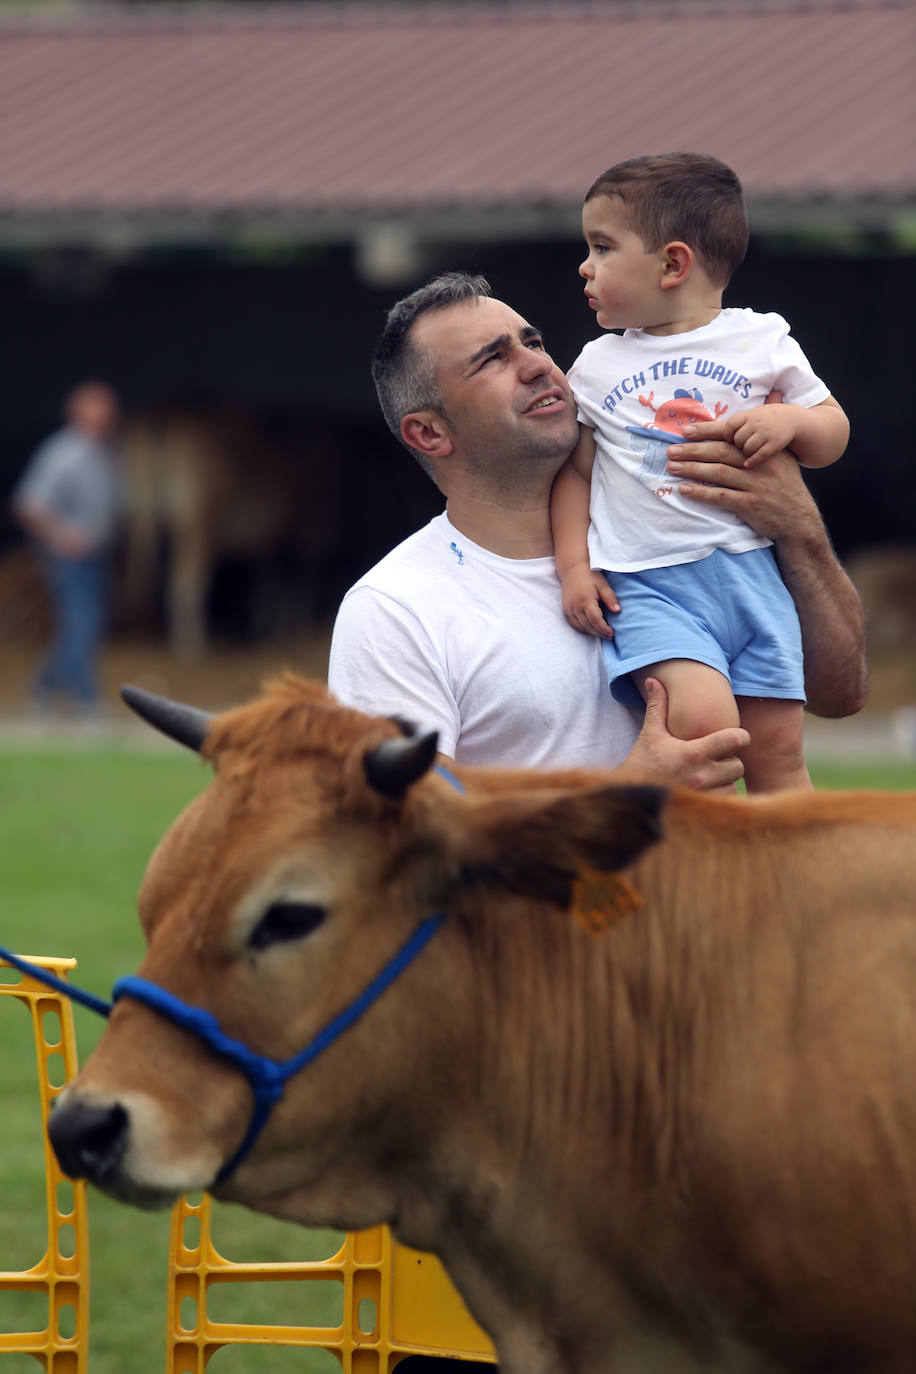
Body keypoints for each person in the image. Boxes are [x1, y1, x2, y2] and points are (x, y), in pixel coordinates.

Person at [328, 273, 866, 790]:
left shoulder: (695, 519)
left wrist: (800, 531)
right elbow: (402, 840)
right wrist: (624, 793)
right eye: (493, 358)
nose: (537, 365)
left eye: (532, 342)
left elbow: (841, 696)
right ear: (429, 432)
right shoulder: (394, 608)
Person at [551, 152, 850, 793]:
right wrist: (576, 568)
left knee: (777, 746)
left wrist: (794, 425)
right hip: (650, 584)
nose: (585, 265)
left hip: (752, 576)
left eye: (602, 247)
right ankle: (698, 874)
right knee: (702, 720)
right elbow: (577, 474)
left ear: (672, 264)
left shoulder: (762, 341)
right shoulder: (596, 365)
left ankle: (793, 884)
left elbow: (833, 432)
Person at [11, 381, 122, 715]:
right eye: (100, 407)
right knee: (82, 625)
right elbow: (28, 505)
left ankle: (44, 687)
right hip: (70, 557)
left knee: (84, 626)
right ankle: (86, 702)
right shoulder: (63, 453)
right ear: (78, 412)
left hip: (96, 555)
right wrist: (63, 536)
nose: (109, 414)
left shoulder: (103, 450)